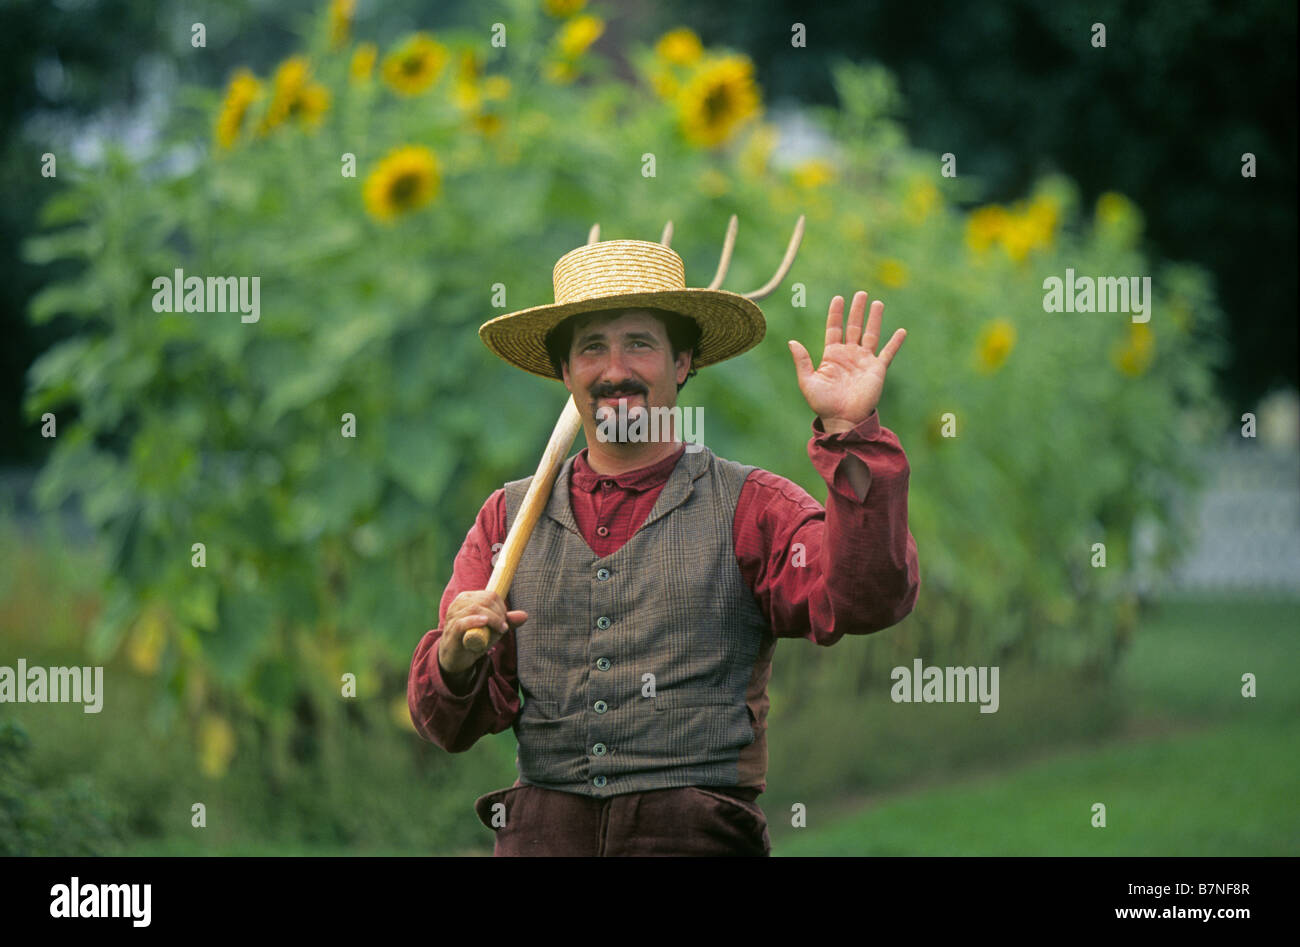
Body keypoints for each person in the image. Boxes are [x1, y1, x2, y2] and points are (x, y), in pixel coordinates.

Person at [407, 233, 920, 855]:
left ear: (682, 364)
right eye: (592, 347)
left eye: (639, 344)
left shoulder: (752, 507)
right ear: (565, 372)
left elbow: (863, 599)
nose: (614, 369)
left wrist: (849, 435)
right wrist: (454, 661)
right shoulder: (509, 520)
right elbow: (448, 725)